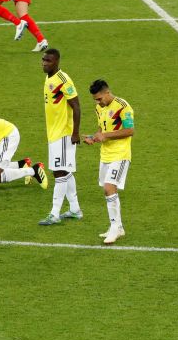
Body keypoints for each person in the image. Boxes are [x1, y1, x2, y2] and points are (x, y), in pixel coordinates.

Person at [82, 80, 134, 245]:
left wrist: (106, 136)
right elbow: (102, 129)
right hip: (105, 154)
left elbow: (129, 130)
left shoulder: (123, 106)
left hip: (120, 154)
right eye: (95, 100)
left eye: (99, 99)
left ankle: (115, 227)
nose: (98, 102)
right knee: (108, 191)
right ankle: (117, 226)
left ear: (107, 92)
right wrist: (94, 137)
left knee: (108, 187)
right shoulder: (99, 108)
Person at [38, 48, 83, 225]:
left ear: (56, 62)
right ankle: (75, 209)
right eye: (43, 60)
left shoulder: (63, 80)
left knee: (59, 173)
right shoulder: (49, 77)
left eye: (48, 61)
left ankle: (55, 213)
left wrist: (75, 133)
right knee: (65, 171)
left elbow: (77, 107)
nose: (44, 63)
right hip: (54, 133)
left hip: (64, 134)